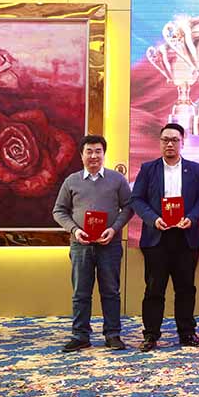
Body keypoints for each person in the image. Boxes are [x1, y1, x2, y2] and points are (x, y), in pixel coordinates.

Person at [131, 122, 199, 351]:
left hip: (186, 237)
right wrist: (153, 219)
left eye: (174, 140)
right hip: (157, 237)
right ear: (160, 142)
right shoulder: (148, 169)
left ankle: (187, 333)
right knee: (154, 288)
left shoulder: (196, 169)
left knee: (186, 288)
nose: (170, 144)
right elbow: (137, 199)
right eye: (165, 140)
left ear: (182, 142)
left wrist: (192, 218)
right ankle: (151, 335)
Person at [53, 135, 134, 352]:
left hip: (110, 244)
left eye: (98, 151)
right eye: (89, 151)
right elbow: (59, 211)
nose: (94, 156)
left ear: (104, 154)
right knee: (80, 292)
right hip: (81, 245)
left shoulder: (117, 180)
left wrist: (114, 229)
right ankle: (80, 335)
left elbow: (129, 207)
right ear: (81, 155)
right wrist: (75, 230)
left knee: (111, 291)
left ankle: (112, 334)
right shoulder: (72, 181)